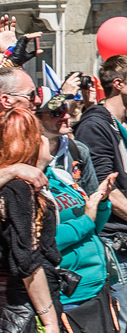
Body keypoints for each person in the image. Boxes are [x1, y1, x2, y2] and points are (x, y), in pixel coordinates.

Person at [74, 55, 127, 333]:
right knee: (121, 321)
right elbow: (104, 185)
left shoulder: (125, 123)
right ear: (118, 84)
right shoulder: (95, 125)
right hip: (114, 239)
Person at [0, 107, 63, 333]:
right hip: (21, 303)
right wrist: (50, 321)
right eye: (40, 135)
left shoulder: (16, 183)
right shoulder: (18, 189)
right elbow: (28, 261)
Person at [47, 151, 119, 333]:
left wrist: (100, 202)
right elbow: (44, 240)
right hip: (70, 296)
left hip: (97, 287)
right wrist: (86, 219)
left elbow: (93, 227)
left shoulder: (59, 177)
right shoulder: (24, 187)